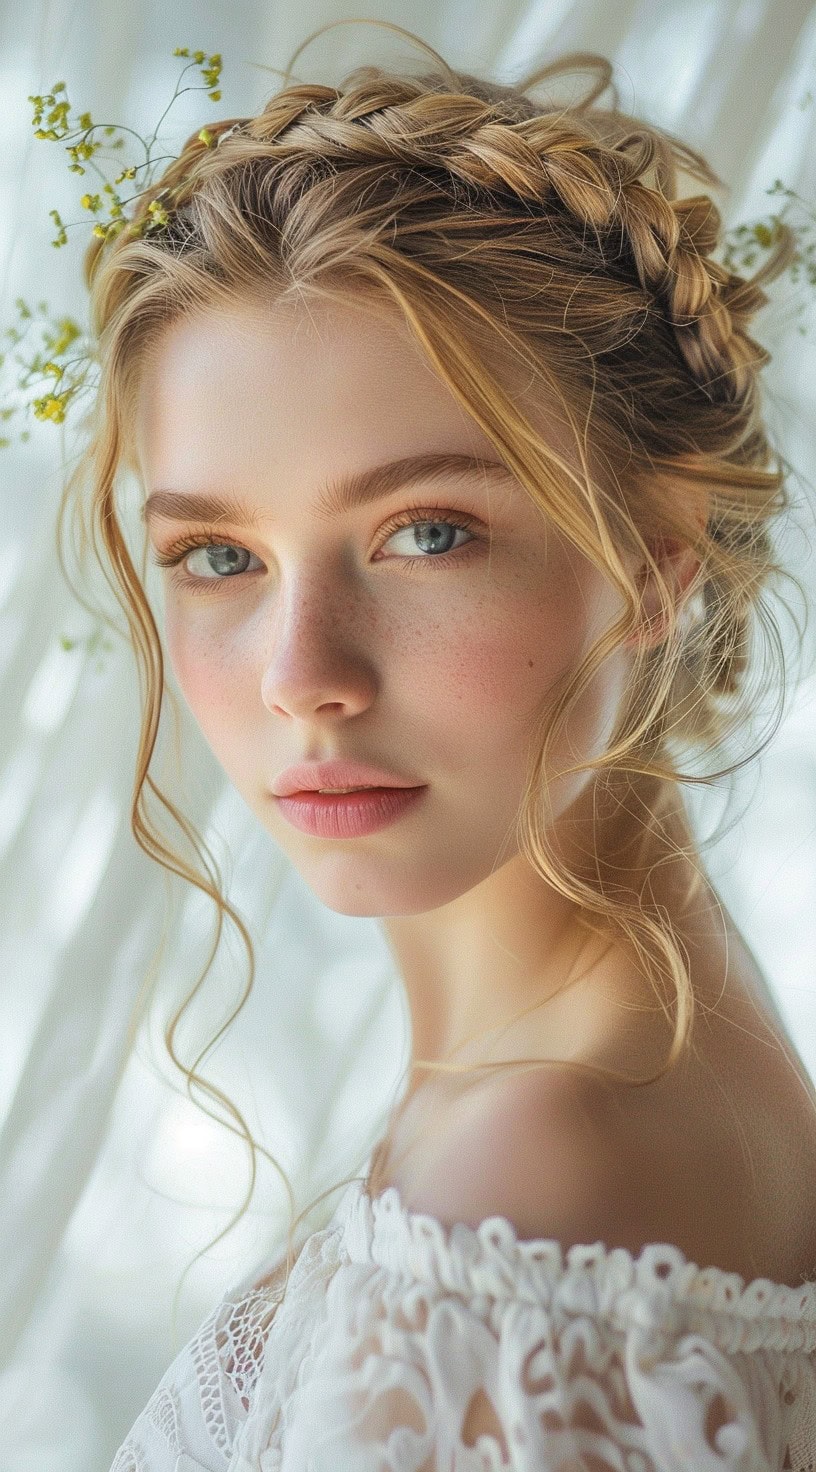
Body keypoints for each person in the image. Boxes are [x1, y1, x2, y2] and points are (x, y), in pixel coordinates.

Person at [51, 17, 816, 1470]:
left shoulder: (537, 1181)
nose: (303, 678)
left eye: (426, 532)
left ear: (658, 560)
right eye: (219, 557)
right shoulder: (658, 1070)